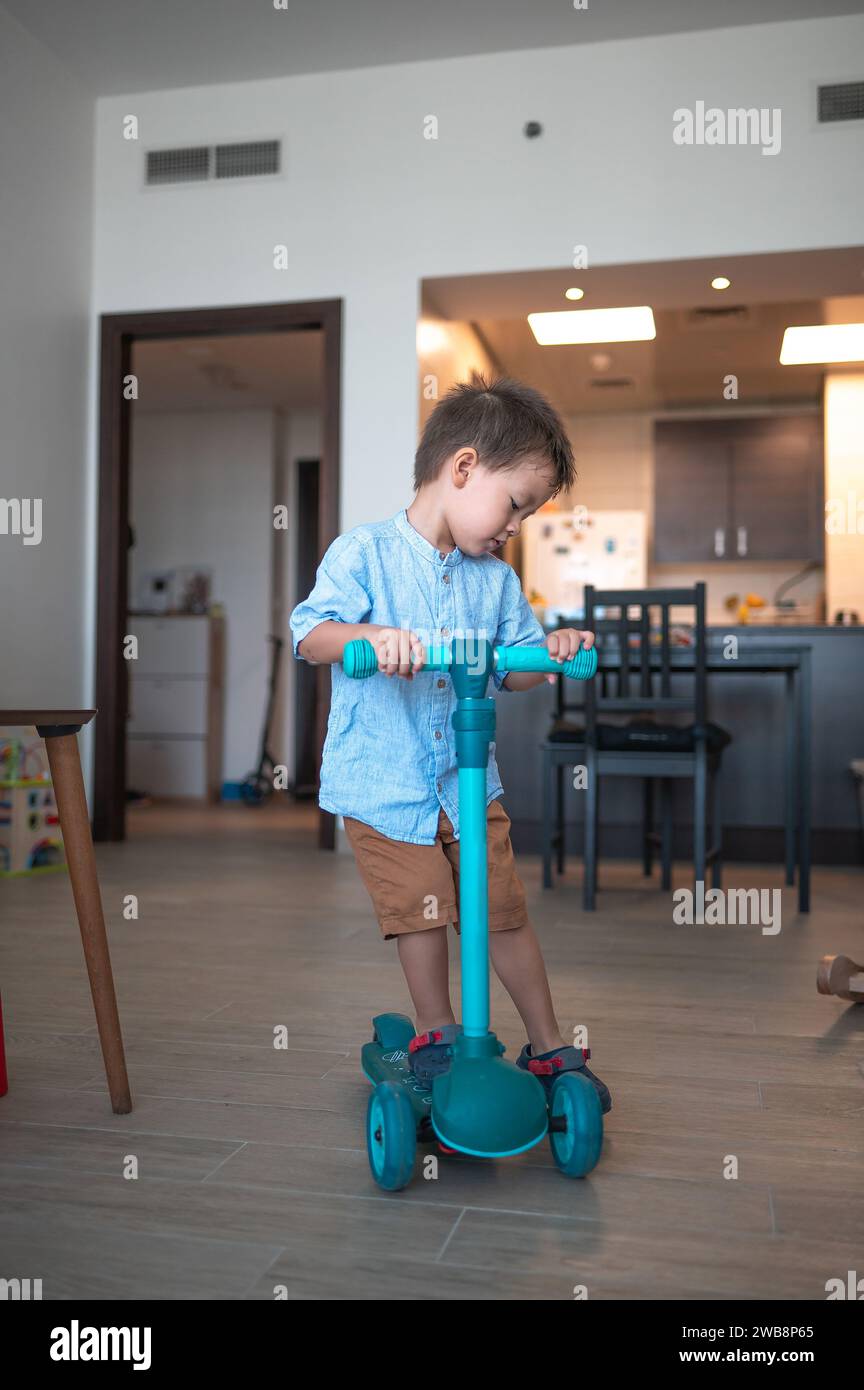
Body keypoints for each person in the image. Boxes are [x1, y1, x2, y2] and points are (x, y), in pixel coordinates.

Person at [289, 375, 611, 1112]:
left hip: (467, 782)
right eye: (515, 505)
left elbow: (519, 668)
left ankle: (547, 1040)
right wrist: (367, 637)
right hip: (385, 783)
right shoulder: (364, 554)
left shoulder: (495, 582)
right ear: (463, 469)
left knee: (501, 908)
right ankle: (435, 1031)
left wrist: (550, 651)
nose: (514, 527)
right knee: (427, 905)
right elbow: (310, 634)